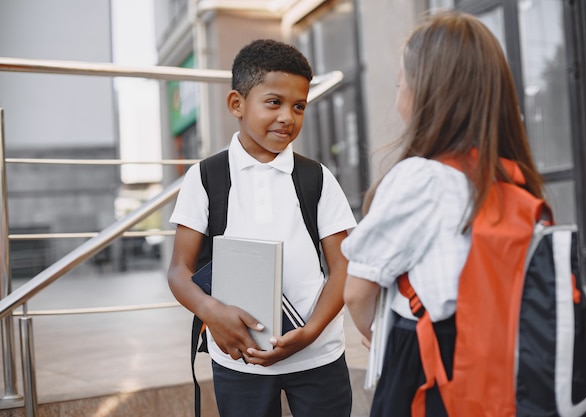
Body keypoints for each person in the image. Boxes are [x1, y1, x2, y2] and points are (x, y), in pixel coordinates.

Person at [340, 11, 545, 417]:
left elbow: (357, 292)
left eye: (401, 85)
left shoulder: (421, 179)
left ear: (424, 95)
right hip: (499, 359)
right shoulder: (509, 176)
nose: (397, 97)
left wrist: (378, 334)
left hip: (428, 365)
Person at [167, 39, 356, 417]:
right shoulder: (205, 178)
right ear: (237, 104)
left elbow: (343, 267)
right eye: (274, 102)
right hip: (239, 359)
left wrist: (311, 332)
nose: (288, 116)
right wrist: (210, 312)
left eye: (299, 106)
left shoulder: (316, 178)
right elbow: (179, 271)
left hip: (317, 356)